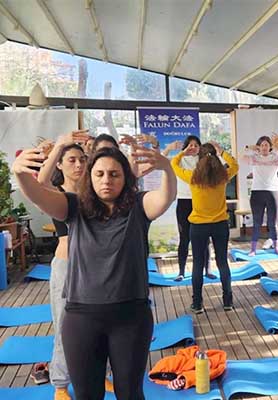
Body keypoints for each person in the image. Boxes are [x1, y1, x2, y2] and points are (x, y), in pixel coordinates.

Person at [13, 143, 176, 400]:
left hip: (131, 317)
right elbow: (38, 196)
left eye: (114, 174)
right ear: (90, 177)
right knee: (87, 395)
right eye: (99, 174)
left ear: (126, 178)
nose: (106, 180)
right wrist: (20, 174)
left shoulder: (139, 206)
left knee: (130, 393)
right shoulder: (74, 206)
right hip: (82, 319)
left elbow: (165, 197)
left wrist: (166, 168)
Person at [35, 131, 95, 400]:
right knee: (64, 324)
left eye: (82, 159)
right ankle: (60, 383)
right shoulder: (55, 192)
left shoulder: (93, 190)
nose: (78, 165)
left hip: (95, 265)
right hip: (67, 265)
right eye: (71, 160)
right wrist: (59, 144)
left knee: (98, 323)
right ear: (59, 163)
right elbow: (41, 181)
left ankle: (98, 373)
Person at [171, 141, 239, 314]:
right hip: (220, 225)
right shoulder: (223, 176)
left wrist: (184, 152)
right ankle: (228, 301)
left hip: (198, 226)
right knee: (222, 262)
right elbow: (235, 165)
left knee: (198, 264)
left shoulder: (193, 177)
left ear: (199, 159)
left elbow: (174, 164)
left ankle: (197, 304)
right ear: (215, 157)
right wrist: (222, 151)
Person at [164, 135, 215, 281]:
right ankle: (181, 272)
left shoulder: (203, 160)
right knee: (184, 238)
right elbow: (163, 159)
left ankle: (208, 269)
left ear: (200, 148)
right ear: (185, 147)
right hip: (183, 202)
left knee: (205, 237)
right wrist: (173, 150)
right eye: (190, 145)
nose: (193, 148)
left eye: (196, 145)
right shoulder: (179, 160)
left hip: (200, 202)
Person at [242, 134, 278, 256]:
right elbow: (242, 158)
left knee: (272, 223)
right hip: (257, 192)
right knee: (257, 222)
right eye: (262, 145)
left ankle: (277, 248)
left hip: (273, 191)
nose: (264, 147)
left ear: (270, 147)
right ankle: (253, 249)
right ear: (258, 147)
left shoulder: (276, 157)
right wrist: (250, 147)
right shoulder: (254, 158)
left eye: (266, 145)